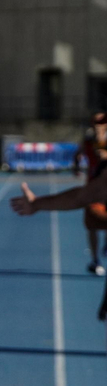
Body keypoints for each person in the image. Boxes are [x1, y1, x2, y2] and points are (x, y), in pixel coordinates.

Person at [80, 113, 107, 275]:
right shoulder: (88, 139)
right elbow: (81, 151)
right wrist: (76, 163)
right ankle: (95, 259)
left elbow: (102, 156)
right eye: (96, 123)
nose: (99, 125)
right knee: (92, 224)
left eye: (102, 123)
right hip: (93, 188)